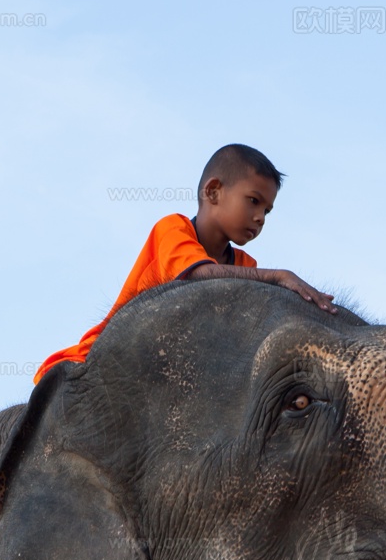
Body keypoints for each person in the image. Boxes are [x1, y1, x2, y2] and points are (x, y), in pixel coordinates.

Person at [33, 144, 337, 383]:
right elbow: (198, 277)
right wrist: (279, 277)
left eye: (268, 211)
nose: (260, 217)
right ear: (213, 191)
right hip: (108, 355)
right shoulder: (172, 229)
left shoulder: (245, 263)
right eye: (253, 201)